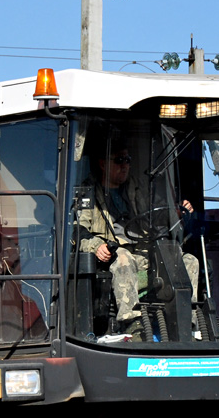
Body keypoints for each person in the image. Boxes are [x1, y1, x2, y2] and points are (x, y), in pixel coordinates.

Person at [77, 138, 200, 326]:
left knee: (189, 261)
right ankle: (132, 324)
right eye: (119, 160)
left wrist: (176, 213)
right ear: (103, 164)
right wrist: (97, 246)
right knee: (123, 257)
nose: (125, 165)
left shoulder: (137, 188)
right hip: (115, 253)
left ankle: (187, 323)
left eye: (128, 160)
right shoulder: (89, 193)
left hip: (144, 251)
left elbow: (158, 214)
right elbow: (77, 231)